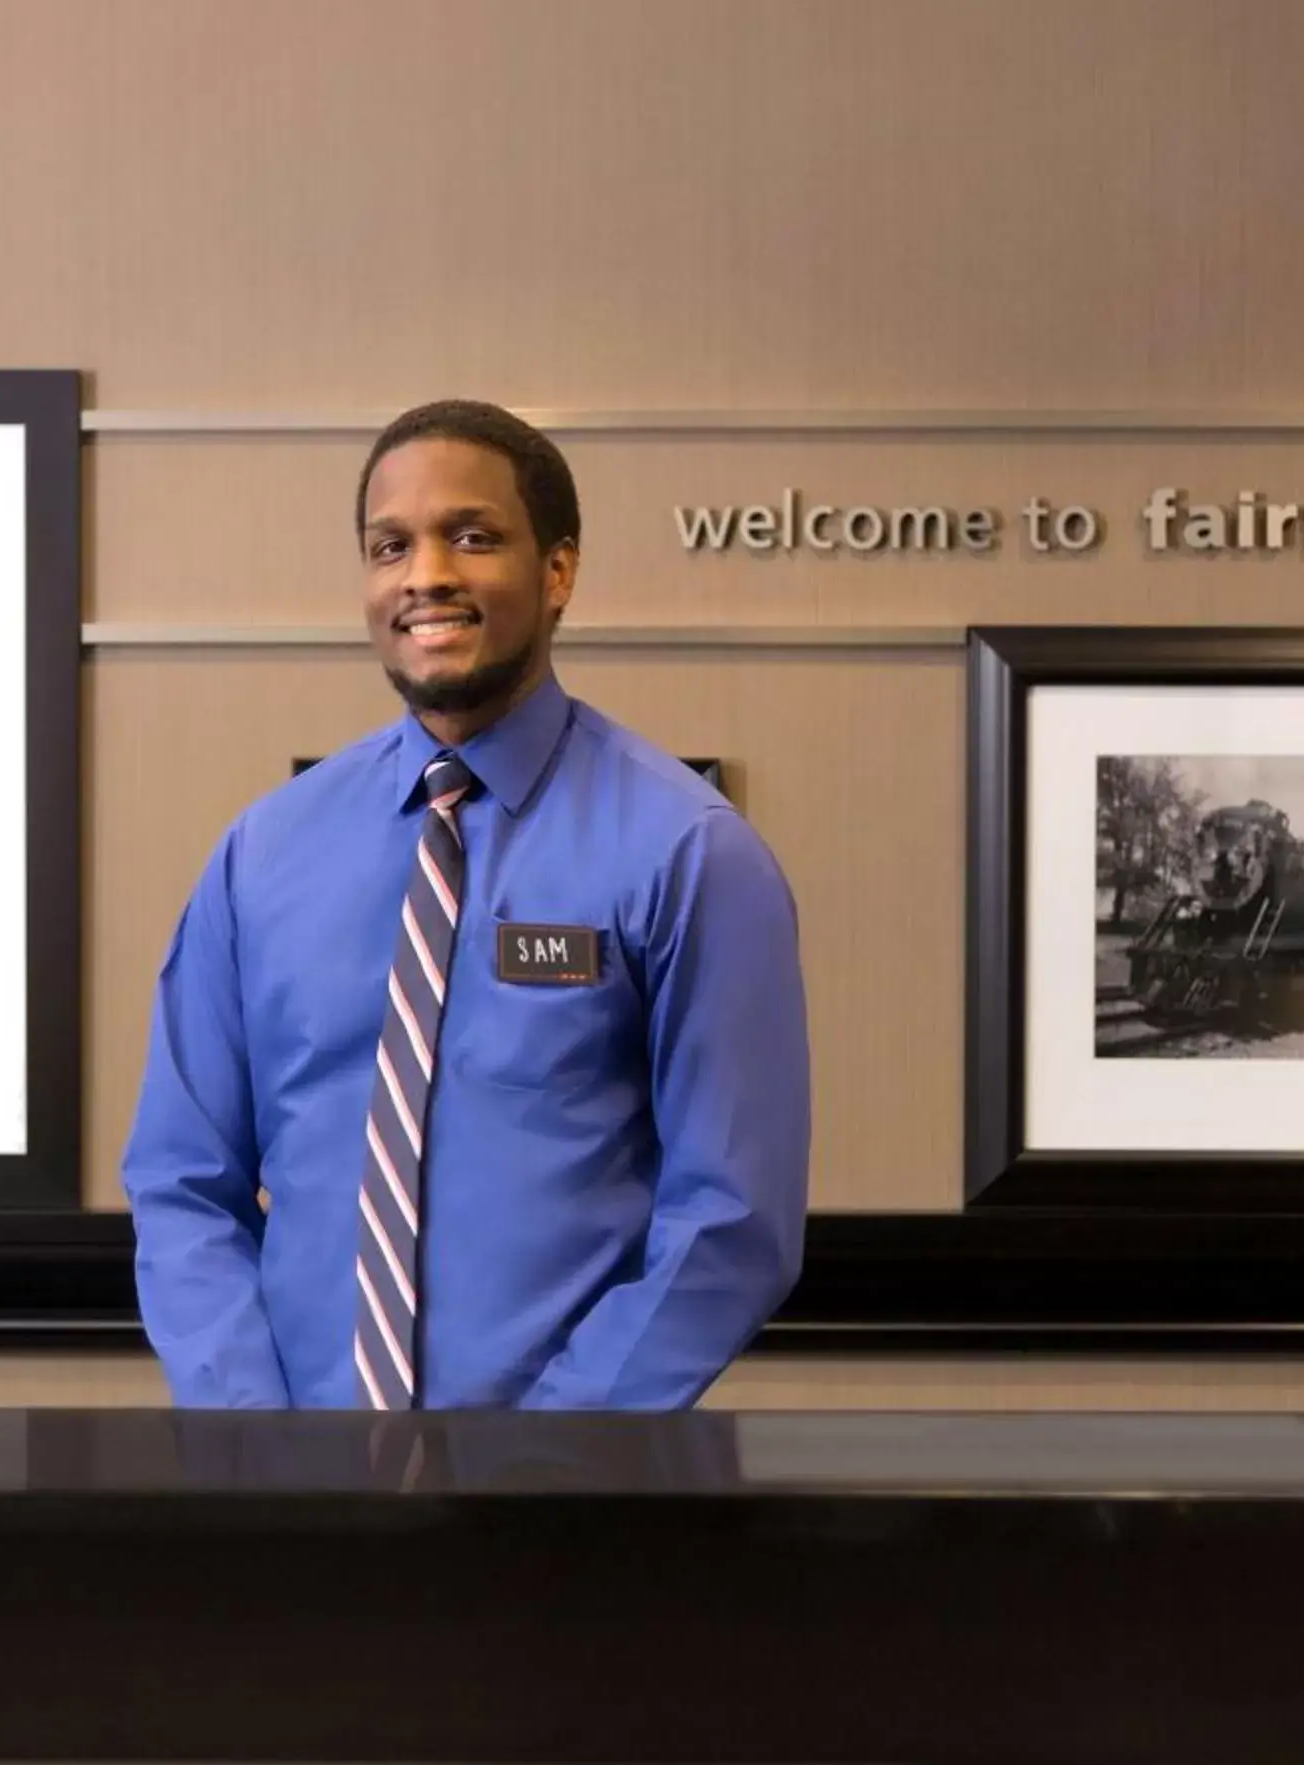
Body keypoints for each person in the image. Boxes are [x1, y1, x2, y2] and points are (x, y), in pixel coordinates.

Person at [122, 400, 810, 1411]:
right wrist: (256, 1441)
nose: (425, 573)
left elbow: (731, 1222)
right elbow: (183, 1182)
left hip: (563, 1510)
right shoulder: (260, 856)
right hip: (295, 1502)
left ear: (560, 570)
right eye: (389, 545)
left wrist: (542, 1463)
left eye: (473, 537)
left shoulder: (690, 853)